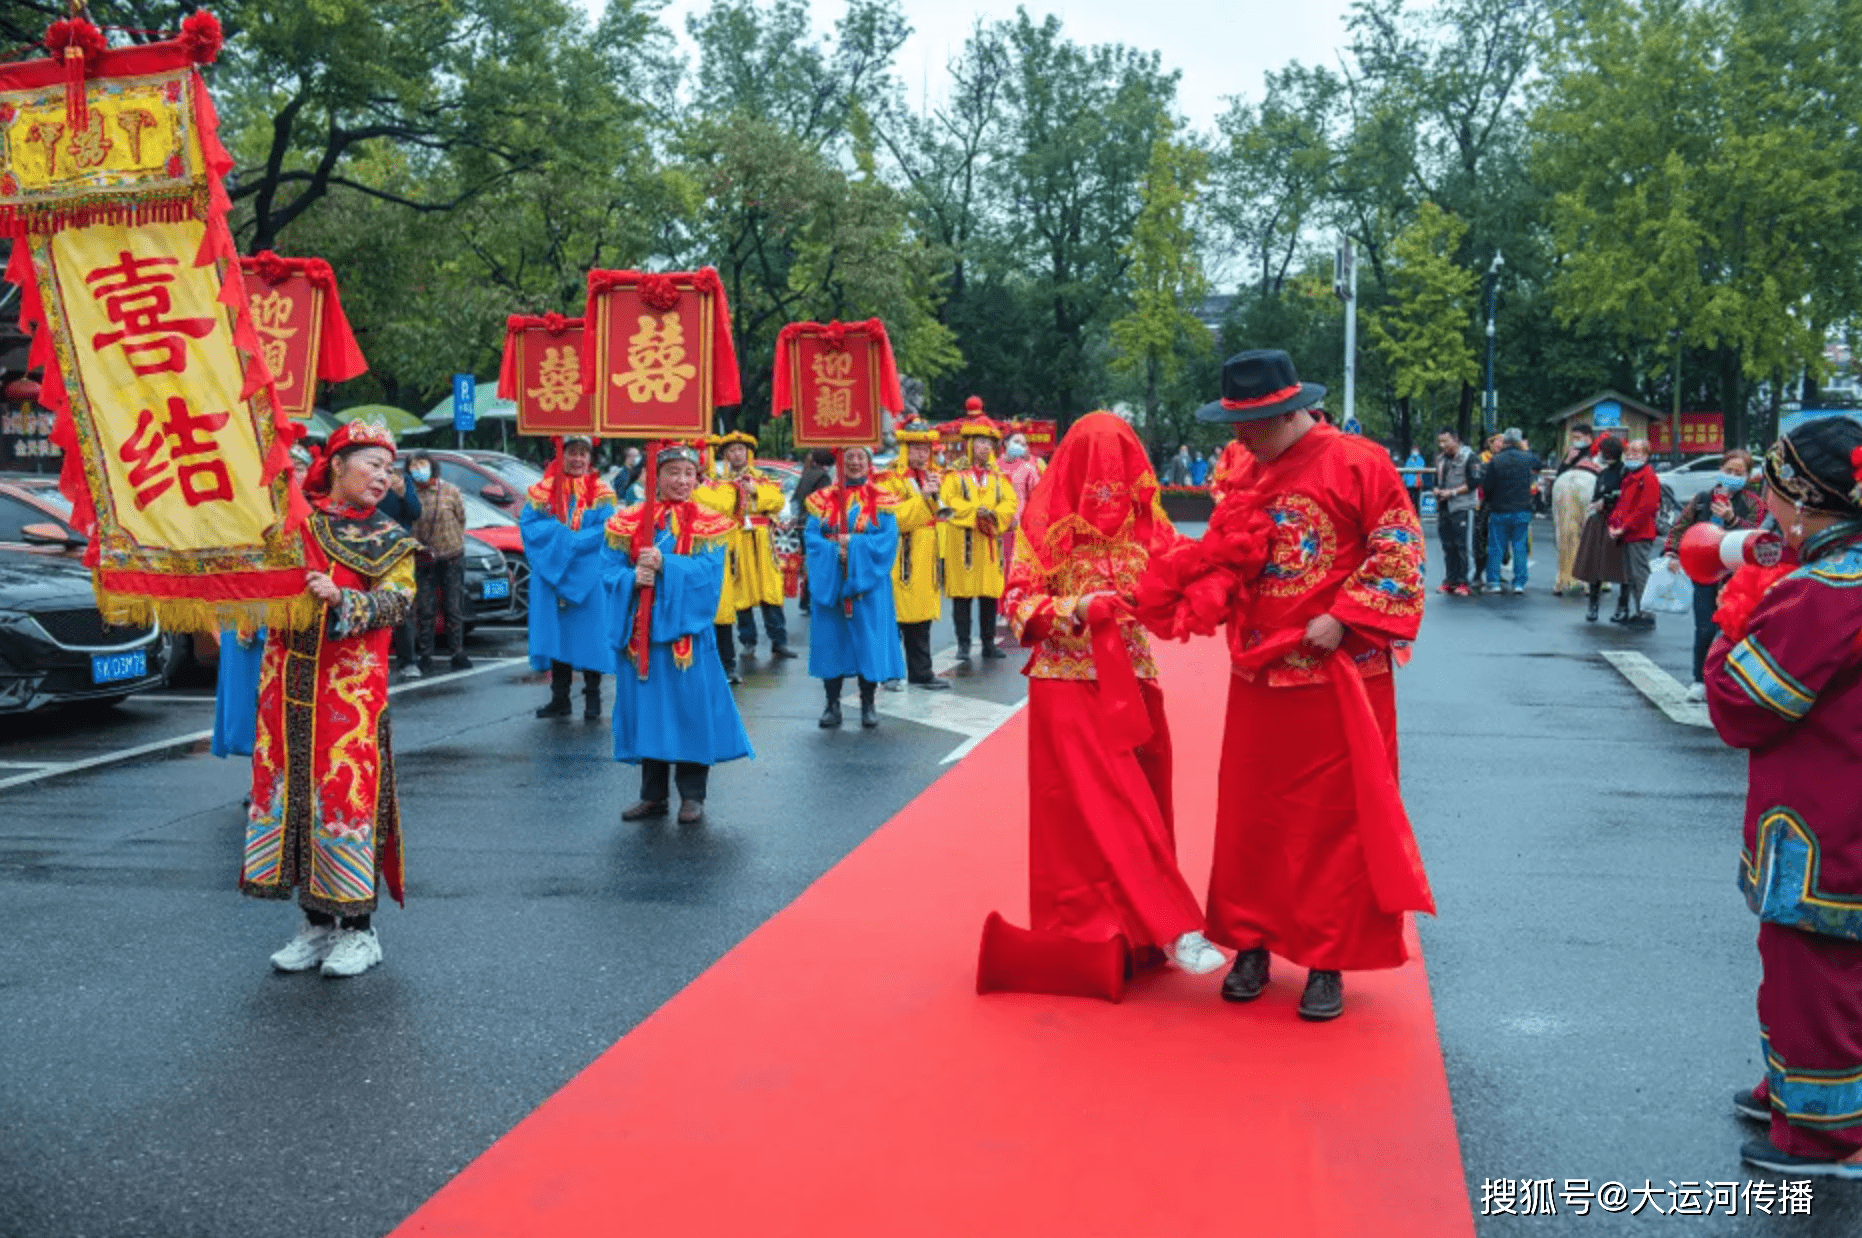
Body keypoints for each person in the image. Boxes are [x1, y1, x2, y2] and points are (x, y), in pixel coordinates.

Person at [1137, 350, 1431, 1021]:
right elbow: (1226, 547)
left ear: (1288, 412)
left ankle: (1327, 958)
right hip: (1259, 670)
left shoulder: (1361, 463)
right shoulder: (1246, 468)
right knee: (1253, 815)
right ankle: (1251, 943)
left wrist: (1345, 617)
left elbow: (1401, 551)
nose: (1238, 440)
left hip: (1338, 671)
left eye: (1251, 425)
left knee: (1333, 821)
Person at [1002, 412, 1224, 976]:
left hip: (1134, 674)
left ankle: (1138, 931)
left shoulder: (1148, 525)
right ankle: (1145, 927)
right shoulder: (1042, 523)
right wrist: (1074, 608)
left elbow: (1188, 570)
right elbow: (1017, 603)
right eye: (1094, 471)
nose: (1105, 487)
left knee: (1144, 799)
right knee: (1096, 810)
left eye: (1116, 470)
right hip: (1066, 681)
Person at [1703, 416, 1862, 1179]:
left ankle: (1828, 1137)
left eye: (1772, 489)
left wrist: (1732, 615)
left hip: (1828, 819)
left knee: (1813, 971)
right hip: (1843, 804)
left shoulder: (1827, 593)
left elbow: (1741, 704)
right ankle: (1796, 1091)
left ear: (1803, 501)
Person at [242, 420, 416, 978]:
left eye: (389, 469)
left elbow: (399, 600)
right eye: (372, 464)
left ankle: (360, 932)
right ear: (337, 465)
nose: (383, 477)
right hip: (286, 685)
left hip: (349, 695)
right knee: (292, 795)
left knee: (345, 798)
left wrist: (345, 598)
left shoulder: (390, 537)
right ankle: (316, 925)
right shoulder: (295, 525)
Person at [603, 443, 752, 826]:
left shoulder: (709, 523)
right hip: (643, 637)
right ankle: (652, 796)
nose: (682, 481)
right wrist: (631, 578)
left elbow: (708, 575)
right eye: (674, 473)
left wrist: (666, 563)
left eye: (689, 473)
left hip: (686, 639)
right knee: (649, 714)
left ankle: (692, 796)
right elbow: (607, 571)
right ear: (656, 476)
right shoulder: (629, 520)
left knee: (690, 712)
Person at [213, 445, 317, 762]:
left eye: (299, 467)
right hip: (252, 613)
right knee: (253, 702)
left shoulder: (320, 514)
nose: (293, 473)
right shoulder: (250, 512)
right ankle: (262, 778)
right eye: (287, 467)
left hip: (300, 617)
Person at [805, 445, 910, 728]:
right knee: (832, 643)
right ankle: (832, 705)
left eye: (859, 457)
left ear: (868, 463)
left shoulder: (883, 500)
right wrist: (832, 551)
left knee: (869, 643)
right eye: (848, 456)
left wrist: (854, 547)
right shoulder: (822, 500)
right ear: (839, 461)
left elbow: (888, 540)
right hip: (831, 581)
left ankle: (868, 704)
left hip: (869, 584)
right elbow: (812, 538)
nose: (853, 462)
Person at [521, 435, 619, 719]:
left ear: (590, 458)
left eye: (582, 453)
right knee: (557, 635)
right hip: (551, 573)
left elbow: (608, 528)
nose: (577, 459)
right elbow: (529, 524)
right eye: (572, 453)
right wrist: (560, 537)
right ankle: (560, 698)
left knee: (591, 636)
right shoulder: (543, 491)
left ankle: (592, 700)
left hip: (588, 573)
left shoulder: (602, 492)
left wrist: (572, 542)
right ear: (561, 456)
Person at [1663, 449, 1759, 700]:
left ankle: (1729, 681)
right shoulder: (1703, 499)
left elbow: (1757, 535)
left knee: (1733, 629)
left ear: (1747, 476)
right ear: (1721, 470)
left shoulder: (1752, 503)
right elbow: (1681, 526)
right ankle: (1699, 679)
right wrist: (1673, 553)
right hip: (1705, 572)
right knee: (1704, 628)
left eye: (1739, 473)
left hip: (1737, 576)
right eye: (1729, 470)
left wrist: (1733, 519)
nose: (1732, 476)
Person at [701, 430, 796, 664]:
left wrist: (756, 492)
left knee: (770, 590)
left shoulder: (762, 478)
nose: (736, 455)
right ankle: (748, 641)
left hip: (763, 539)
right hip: (736, 539)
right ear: (726, 455)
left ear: (748, 453)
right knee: (741, 590)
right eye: (731, 451)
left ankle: (779, 641)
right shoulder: (718, 482)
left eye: (740, 450)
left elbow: (778, 501)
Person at [941, 403, 1018, 661]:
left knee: (988, 595)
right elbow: (948, 502)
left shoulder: (998, 478)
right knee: (962, 596)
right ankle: (963, 643)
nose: (985, 448)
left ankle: (987, 642)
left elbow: (1009, 503)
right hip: (962, 543)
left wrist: (994, 514)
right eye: (980, 442)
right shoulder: (954, 475)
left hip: (987, 543)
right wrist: (977, 512)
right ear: (970, 444)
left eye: (988, 443)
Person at [882, 419, 952, 690]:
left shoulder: (931, 476)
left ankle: (921, 672)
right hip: (902, 556)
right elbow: (893, 518)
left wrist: (934, 497)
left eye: (926, 449)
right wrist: (922, 497)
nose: (923, 454)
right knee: (896, 617)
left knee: (921, 618)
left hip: (926, 556)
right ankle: (890, 673)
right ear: (904, 449)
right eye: (917, 449)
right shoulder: (889, 479)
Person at [405, 450, 471, 674]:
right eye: (413, 466)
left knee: (453, 606)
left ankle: (458, 652)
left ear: (432, 466)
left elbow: (461, 519)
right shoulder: (409, 494)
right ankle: (425, 655)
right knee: (425, 608)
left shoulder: (450, 491)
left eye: (422, 464)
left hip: (452, 555)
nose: (418, 470)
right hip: (424, 559)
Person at [375, 448, 424, 677]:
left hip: (398, 549)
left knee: (401, 604)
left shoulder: (402, 481)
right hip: (370, 546)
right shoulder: (367, 480)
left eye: (388, 465)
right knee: (372, 603)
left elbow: (415, 513)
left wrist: (403, 493)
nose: (384, 470)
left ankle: (408, 661)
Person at [1572, 435, 1626, 621]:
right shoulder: (1602, 473)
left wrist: (1608, 500)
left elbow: (1625, 496)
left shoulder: (1624, 472)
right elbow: (1596, 495)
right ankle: (1593, 606)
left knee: (1621, 567)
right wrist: (1596, 503)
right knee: (1595, 565)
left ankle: (1622, 606)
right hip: (1600, 521)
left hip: (1617, 523)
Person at [1481, 427, 1542, 594]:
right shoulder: (1527, 458)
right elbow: (1539, 464)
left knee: (1496, 547)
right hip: (1522, 508)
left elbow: (1488, 486)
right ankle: (1519, 583)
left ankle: (1493, 582)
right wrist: (1526, 448)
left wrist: (1491, 501)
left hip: (1499, 509)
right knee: (1520, 547)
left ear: (1505, 441)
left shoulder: (1496, 460)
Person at [1609, 437, 1661, 627]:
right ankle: (1640, 611)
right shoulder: (1631, 477)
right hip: (1629, 532)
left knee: (1639, 575)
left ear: (1646, 456)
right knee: (1631, 575)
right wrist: (1613, 523)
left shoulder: (1647, 477)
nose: (1631, 455)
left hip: (1639, 533)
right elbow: (1622, 505)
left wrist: (1624, 526)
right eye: (1629, 452)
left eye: (1637, 452)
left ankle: (1646, 614)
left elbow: (1645, 508)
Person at [1552, 432, 1601, 594]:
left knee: (1564, 532)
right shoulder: (1597, 461)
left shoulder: (1568, 463)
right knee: (1589, 535)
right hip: (1591, 494)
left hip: (1562, 486)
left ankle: (1561, 578)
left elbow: (1559, 475)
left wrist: (1567, 460)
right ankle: (1589, 580)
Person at [1432, 427, 1478, 596]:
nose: (1443, 445)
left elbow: (1474, 482)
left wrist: (1452, 492)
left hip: (1463, 507)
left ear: (1456, 439)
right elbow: (1436, 481)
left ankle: (1465, 581)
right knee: (1447, 546)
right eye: (1440, 442)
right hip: (1444, 508)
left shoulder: (1470, 457)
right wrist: (1437, 490)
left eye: (1446, 441)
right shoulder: (1440, 459)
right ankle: (1450, 580)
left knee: (1463, 546)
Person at [793, 448, 838, 616]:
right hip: (814, 521)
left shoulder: (808, 473)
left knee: (809, 563)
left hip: (802, 521)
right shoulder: (823, 477)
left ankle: (805, 601)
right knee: (818, 563)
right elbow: (824, 502)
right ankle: (812, 599)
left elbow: (796, 498)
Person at [998, 432, 1043, 571]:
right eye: (1016, 442)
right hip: (996, 521)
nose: (1019, 446)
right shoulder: (993, 467)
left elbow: (1037, 496)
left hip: (1019, 524)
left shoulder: (1028, 469)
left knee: (1015, 564)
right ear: (1006, 443)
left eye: (1023, 444)